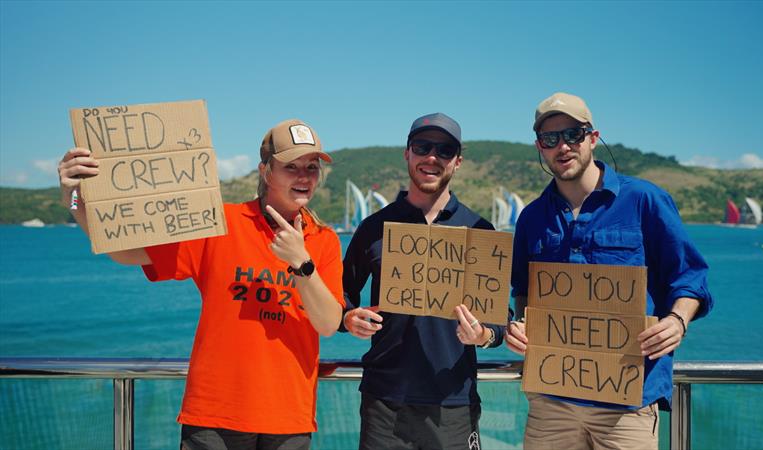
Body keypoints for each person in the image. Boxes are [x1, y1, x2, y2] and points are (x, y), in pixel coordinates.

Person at [58, 119, 345, 450]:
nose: (304, 176)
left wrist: (302, 263)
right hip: (214, 416)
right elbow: (124, 251)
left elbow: (326, 324)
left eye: (311, 167)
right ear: (265, 170)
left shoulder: (323, 241)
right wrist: (75, 199)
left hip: (288, 418)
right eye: (291, 167)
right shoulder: (220, 223)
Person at [505, 92, 713, 450]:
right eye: (551, 139)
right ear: (540, 146)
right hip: (550, 402)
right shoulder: (531, 218)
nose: (563, 146)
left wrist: (677, 322)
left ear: (593, 138)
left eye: (573, 134)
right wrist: (520, 326)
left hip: (627, 404)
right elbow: (524, 290)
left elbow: (691, 277)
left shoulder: (645, 200)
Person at [340, 112, 507, 450]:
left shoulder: (481, 231)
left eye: (444, 150)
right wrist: (347, 318)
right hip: (384, 403)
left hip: (453, 402)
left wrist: (485, 334)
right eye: (423, 146)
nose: (432, 157)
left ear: (457, 161)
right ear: (407, 153)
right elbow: (341, 293)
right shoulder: (373, 227)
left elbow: (500, 318)